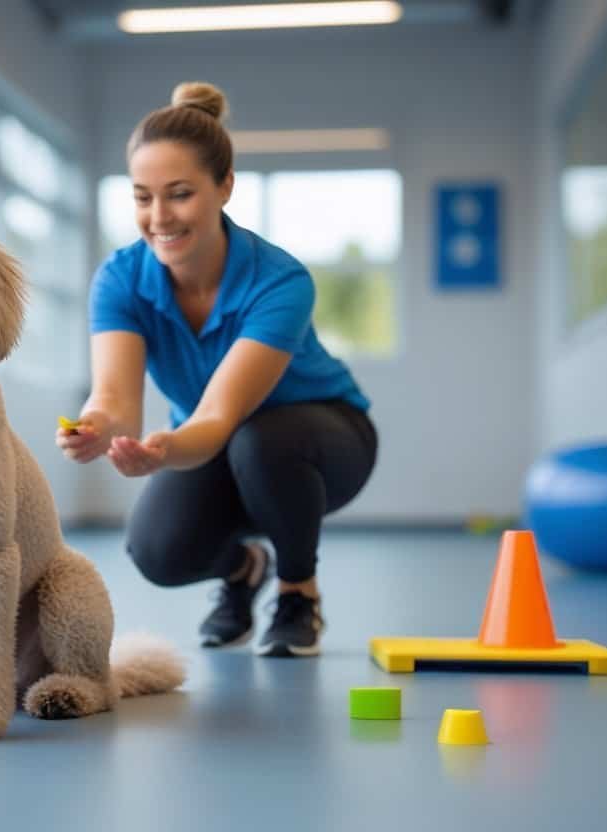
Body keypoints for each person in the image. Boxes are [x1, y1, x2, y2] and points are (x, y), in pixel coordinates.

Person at [57, 81, 377, 657]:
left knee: (260, 441)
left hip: (325, 444)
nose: (159, 217)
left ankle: (298, 592)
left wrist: (165, 452)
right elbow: (116, 399)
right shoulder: (120, 279)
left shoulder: (280, 282)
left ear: (225, 186)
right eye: (142, 197)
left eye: (179, 194)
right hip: (211, 444)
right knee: (158, 549)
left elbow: (221, 414)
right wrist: (96, 429)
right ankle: (243, 570)